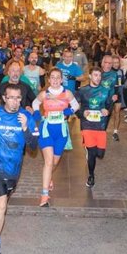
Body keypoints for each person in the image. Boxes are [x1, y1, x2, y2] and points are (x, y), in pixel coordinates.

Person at [0, 83, 39, 254]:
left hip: (14, 169)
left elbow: (33, 146)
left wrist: (26, 127)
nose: (15, 101)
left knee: (1, 202)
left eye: (18, 98)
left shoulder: (27, 116)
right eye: (11, 97)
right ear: (4, 97)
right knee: (2, 204)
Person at [31, 68, 80, 207]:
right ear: (49, 79)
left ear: (61, 79)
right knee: (48, 162)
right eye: (52, 77)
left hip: (61, 132)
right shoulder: (44, 94)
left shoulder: (67, 93)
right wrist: (36, 113)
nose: (55, 80)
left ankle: (49, 177)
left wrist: (69, 110)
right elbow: (35, 103)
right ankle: (44, 194)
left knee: (54, 162)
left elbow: (76, 105)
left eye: (58, 77)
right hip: (46, 130)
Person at [75, 67, 112, 187]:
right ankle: (91, 175)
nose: (98, 78)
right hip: (87, 125)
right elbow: (75, 107)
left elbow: (109, 106)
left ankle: (90, 151)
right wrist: (82, 113)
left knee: (100, 154)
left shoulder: (105, 90)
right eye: (95, 75)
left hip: (101, 125)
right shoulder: (82, 90)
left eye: (100, 75)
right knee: (92, 153)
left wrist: (107, 111)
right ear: (90, 76)